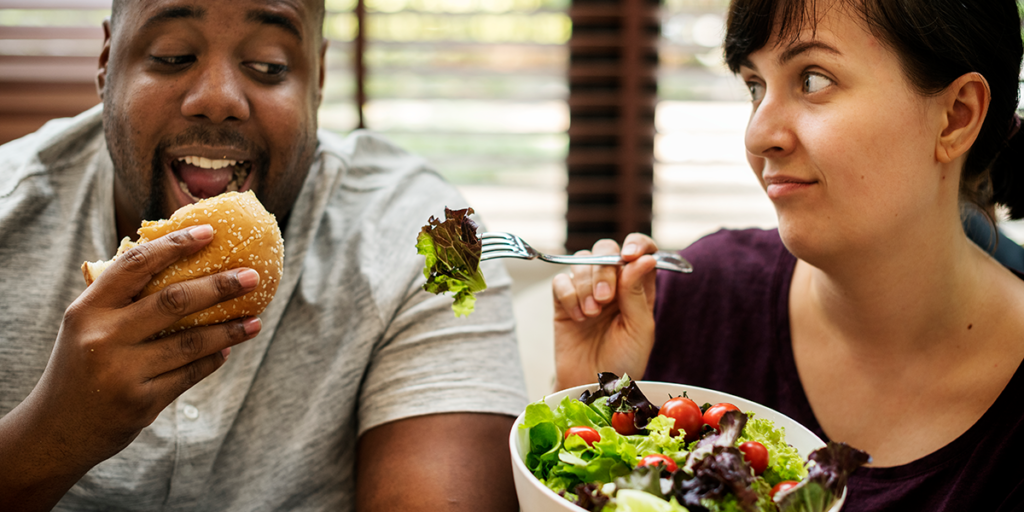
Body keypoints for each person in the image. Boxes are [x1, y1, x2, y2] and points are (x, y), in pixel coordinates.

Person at [0, 0, 528, 510]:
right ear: (106, 64)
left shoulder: (437, 240)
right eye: (172, 56)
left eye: (268, 65)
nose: (218, 97)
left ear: (317, 80)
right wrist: (53, 435)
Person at [552, 0, 1024, 509]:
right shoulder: (696, 299)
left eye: (814, 80)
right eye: (755, 86)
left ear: (956, 117)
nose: (758, 135)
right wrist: (583, 409)